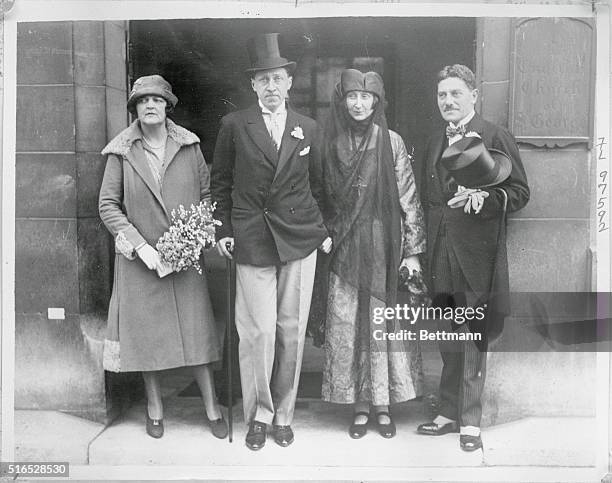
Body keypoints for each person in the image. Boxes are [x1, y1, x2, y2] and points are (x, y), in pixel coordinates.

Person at [210, 33, 331, 451]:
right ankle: (258, 415)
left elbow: (319, 186)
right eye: (263, 80)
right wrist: (223, 231)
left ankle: (283, 414)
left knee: (290, 332)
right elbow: (220, 184)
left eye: (278, 79)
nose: (272, 87)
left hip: (298, 240)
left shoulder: (309, 128)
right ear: (253, 86)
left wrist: (319, 232)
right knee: (258, 332)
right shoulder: (234, 126)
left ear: (289, 83)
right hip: (252, 238)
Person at [99, 74, 227, 440]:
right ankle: (155, 408)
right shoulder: (121, 152)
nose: (150, 106)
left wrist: (189, 242)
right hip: (141, 263)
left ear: (168, 106)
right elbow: (107, 205)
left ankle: (212, 407)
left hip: (185, 259)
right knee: (147, 339)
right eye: (142, 101)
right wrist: (143, 249)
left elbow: (206, 196)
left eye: (156, 100)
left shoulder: (189, 146)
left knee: (197, 335)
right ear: (135, 109)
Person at [416, 64, 529, 451]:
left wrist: (488, 198)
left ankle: (470, 420)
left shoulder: (496, 135)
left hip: (478, 256)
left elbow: (519, 193)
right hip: (442, 252)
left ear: (473, 95)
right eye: (442, 95)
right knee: (448, 335)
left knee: (473, 337)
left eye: (455, 94)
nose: (448, 101)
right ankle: (448, 411)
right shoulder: (433, 140)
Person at [319, 69, 426, 439]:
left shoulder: (392, 142)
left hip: (383, 241)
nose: (359, 104)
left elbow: (408, 197)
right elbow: (319, 193)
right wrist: (323, 232)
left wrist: (411, 251)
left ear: (377, 102)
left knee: (382, 322)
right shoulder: (330, 141)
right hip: (344, 243)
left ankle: (383, 405)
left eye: (366, 98)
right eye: (353, 97)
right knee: (350, 321)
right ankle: (358, 406)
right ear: (343, 100)